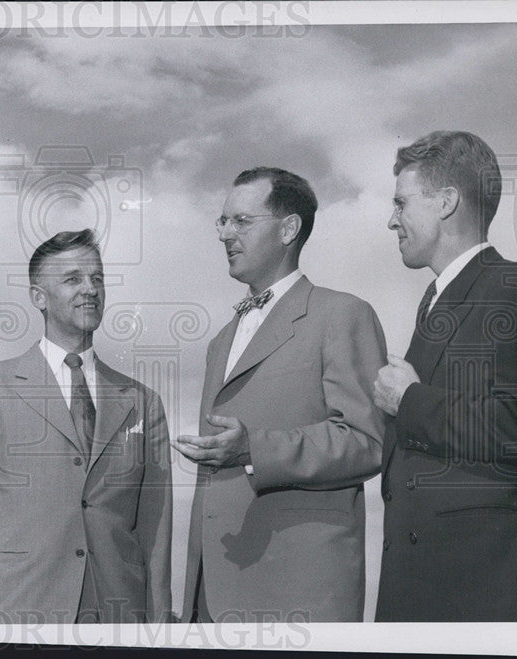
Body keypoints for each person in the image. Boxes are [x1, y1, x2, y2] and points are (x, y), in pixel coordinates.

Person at [174, 167, 386, 622]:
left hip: (299, 596)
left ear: (289, 228)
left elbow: (368, 442)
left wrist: (257, 447)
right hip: (212, 597)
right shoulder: (219, 342)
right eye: (223, 221)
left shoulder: (343, 314)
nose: (226, 234)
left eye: (242, 222)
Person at [0, 229, 172, 624]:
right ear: (38, 297)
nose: (90, 289)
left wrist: (160, 621)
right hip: (14, 609)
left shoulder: (142, 400)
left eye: (97, 278)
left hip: (118, 613)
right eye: (72, 278)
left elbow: (156, 526)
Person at [373, 131, 517, 621]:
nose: (391, 220)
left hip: (482, 595)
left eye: (401, 203)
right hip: (422, 590)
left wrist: (410, 402)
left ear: (446, 202)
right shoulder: (438, 300)